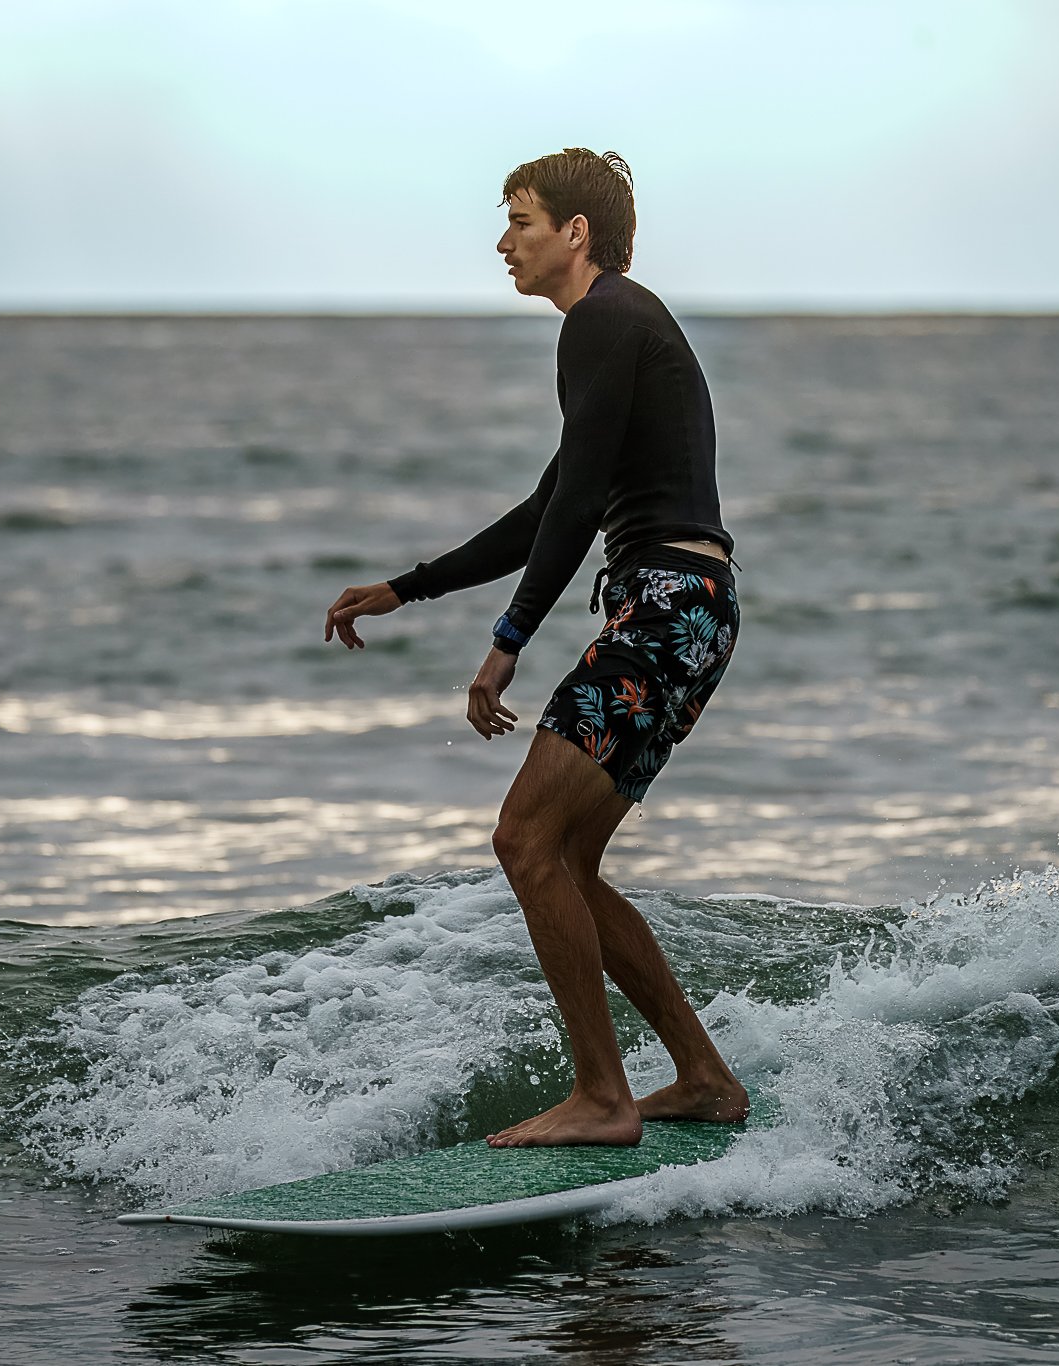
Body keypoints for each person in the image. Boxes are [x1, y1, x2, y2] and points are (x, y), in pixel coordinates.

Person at [323, 148, 748, 1147]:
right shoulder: (618, 329)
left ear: (574, 234)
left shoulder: (602, 319)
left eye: (519, 219)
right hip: (684, 610)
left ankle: (602, 1098)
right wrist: (407, 587)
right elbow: (551, 506)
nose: (502, 239)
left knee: (522, 839)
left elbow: (577, 510)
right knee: (567, 861)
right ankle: (701, 1077)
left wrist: (505, 643)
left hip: (664, 608)